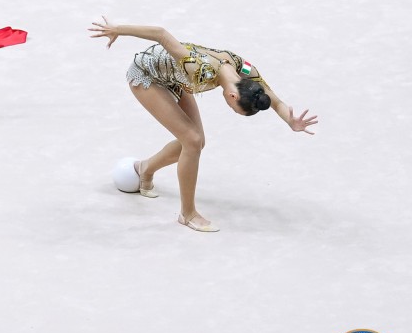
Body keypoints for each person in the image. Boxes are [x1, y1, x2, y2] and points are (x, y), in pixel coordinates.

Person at [88, 18, 317, 232]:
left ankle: (144, 169)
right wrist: (117, 29)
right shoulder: (200, 68)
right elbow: (161, 34)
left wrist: (290, 120)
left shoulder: (244, 70)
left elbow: (275, 101)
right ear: (233, 97)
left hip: (175, 78)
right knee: (192, 140)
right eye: (234, 110)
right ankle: (187, 214)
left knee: (196, 143)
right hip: (147, 74)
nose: (231, 109)